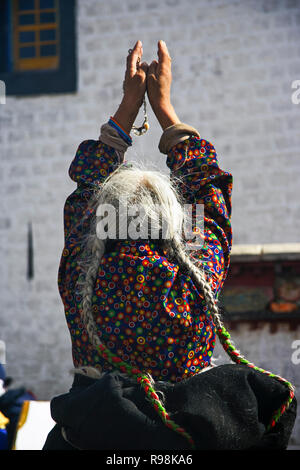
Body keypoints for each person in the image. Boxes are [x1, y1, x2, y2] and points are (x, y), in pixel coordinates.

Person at [43, 40, 296, 450]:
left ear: (98, 222)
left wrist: (127, 111)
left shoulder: (82, 274)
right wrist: (165, 109)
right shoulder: (198, 275)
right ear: (180, 227)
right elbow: (209, 188)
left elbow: (86, 190)